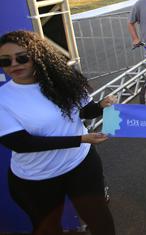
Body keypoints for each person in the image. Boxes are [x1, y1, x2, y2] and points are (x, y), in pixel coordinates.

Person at [0, 30, 116, 235]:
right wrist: (81, 138)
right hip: (36, 179)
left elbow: (85, 111)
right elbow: (21, 143)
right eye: (5, 61)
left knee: (101, 223)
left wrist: (102, 105)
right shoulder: (4, 99)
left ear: (38, 55)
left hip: (81, 165)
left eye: (22, 57)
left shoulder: (64, 78)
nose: (14, 64)